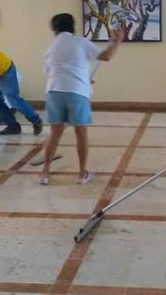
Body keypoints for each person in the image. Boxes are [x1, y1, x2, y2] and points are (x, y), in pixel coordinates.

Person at [39, 13, 123, 185]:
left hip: (54, 91)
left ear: (54, 28)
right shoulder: (80, 42)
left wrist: (83, 80)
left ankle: (45, 173)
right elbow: (106, 56)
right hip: (76, 92)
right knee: (81, 132)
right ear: (72, 25)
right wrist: (119, 40)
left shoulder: (51, 47)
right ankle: (82, 174)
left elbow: (51, 71)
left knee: (55, 132)